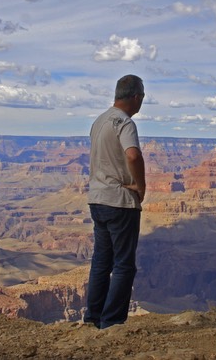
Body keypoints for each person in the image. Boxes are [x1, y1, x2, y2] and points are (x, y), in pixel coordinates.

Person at [84, 74, 146, 329]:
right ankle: (112, 323)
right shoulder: (124, 122)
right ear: (134, 97)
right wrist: (140, 185)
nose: (141, 101)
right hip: (119, 202)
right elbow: (132, 155)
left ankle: (93, 318)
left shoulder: (99, 121)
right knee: (123, 264)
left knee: (101, 262)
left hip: (97, 200)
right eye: (141, 96)